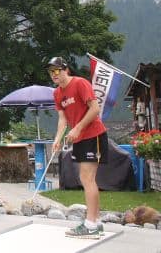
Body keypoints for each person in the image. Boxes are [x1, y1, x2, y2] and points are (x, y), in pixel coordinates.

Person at [48, 56, 108, 239]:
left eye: (57, 70)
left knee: (86, 178)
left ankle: (90, 225)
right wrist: (57, 139)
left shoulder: (80, 83)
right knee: (86, 178)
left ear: (66, 70)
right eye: (51, 72)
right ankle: (95, 222)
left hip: (94, 134)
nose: (54, 74)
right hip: (79, 138)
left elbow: (95, 109)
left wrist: (78, 127)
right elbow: (62, 119)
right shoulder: (57, 94)